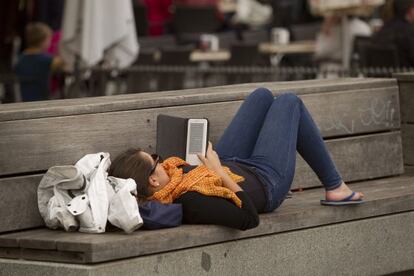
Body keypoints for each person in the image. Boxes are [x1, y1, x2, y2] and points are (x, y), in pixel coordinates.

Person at [109, 88, 364, 230]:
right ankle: (335, 187)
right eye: (155, 161)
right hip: (266, 180)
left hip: (231, 165)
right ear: (153, 181)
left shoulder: (171, 180)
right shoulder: (192, 201)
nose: (162, 160)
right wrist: (218, 172)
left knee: (261, 96)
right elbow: (249, 219)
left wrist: (213, 166)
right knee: (289, 102)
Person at [14, 22, 64, 101]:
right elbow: (66, 64)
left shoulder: (20, 59)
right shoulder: (48, 60)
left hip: (24, 100)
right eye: (49, 39)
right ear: (43, 41)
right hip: (42, 101)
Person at [372, 0, 414, 67]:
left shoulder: (384, 29)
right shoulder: (409, 31)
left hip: (381, 74)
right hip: (405, 74)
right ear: (410, 9)